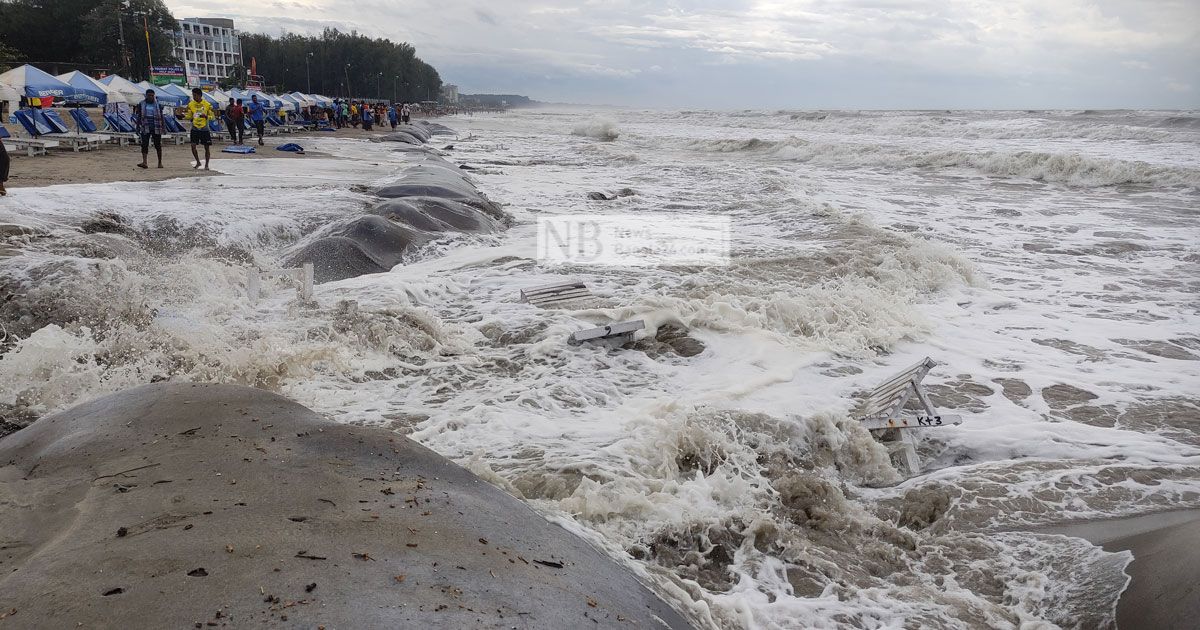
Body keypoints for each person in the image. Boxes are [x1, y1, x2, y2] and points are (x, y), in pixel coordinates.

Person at [135, 88, 166, 169]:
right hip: (145, 126)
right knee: (144, 144)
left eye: (152, 96)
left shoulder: (158, 104)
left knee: (157, 145)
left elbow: (162, 116)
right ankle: (144, 162)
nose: (151, 97)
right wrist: (137, 127)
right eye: (149, 95)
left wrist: (164, 127)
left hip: (157, 126)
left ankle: (160, 162)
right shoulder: (141, 104)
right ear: (146, 96)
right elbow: (139, 116)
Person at [185, 87, 215, 170]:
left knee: (206, 147)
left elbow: (212, 117)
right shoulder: (191, 104)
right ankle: (198, 162)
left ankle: (207, 165)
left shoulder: (207, 104)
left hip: (204, 128)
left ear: (199, 95)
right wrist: (184, 116)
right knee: (193, 146)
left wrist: (206, 116)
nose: (194, 97)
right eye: (193, 95)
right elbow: (189, 116)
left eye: (195, 95)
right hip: (194, 128)